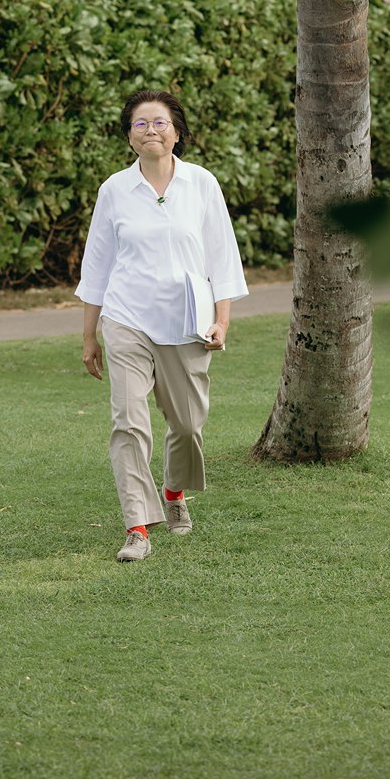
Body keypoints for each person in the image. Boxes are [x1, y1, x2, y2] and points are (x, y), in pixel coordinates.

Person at [77, 88, 248, 562]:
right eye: (140, 123)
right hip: (127, 318)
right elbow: (97, 266)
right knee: (129, 423)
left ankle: (175, 491)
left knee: (188, 424)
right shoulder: (114, 190)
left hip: (188, 322)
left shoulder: (201, 184)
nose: (150, 130)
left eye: (159, 122)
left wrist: (223, 321)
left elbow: (223, 258)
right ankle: (137, 526)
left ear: (177, 132)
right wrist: (90, 334)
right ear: (129, 135)